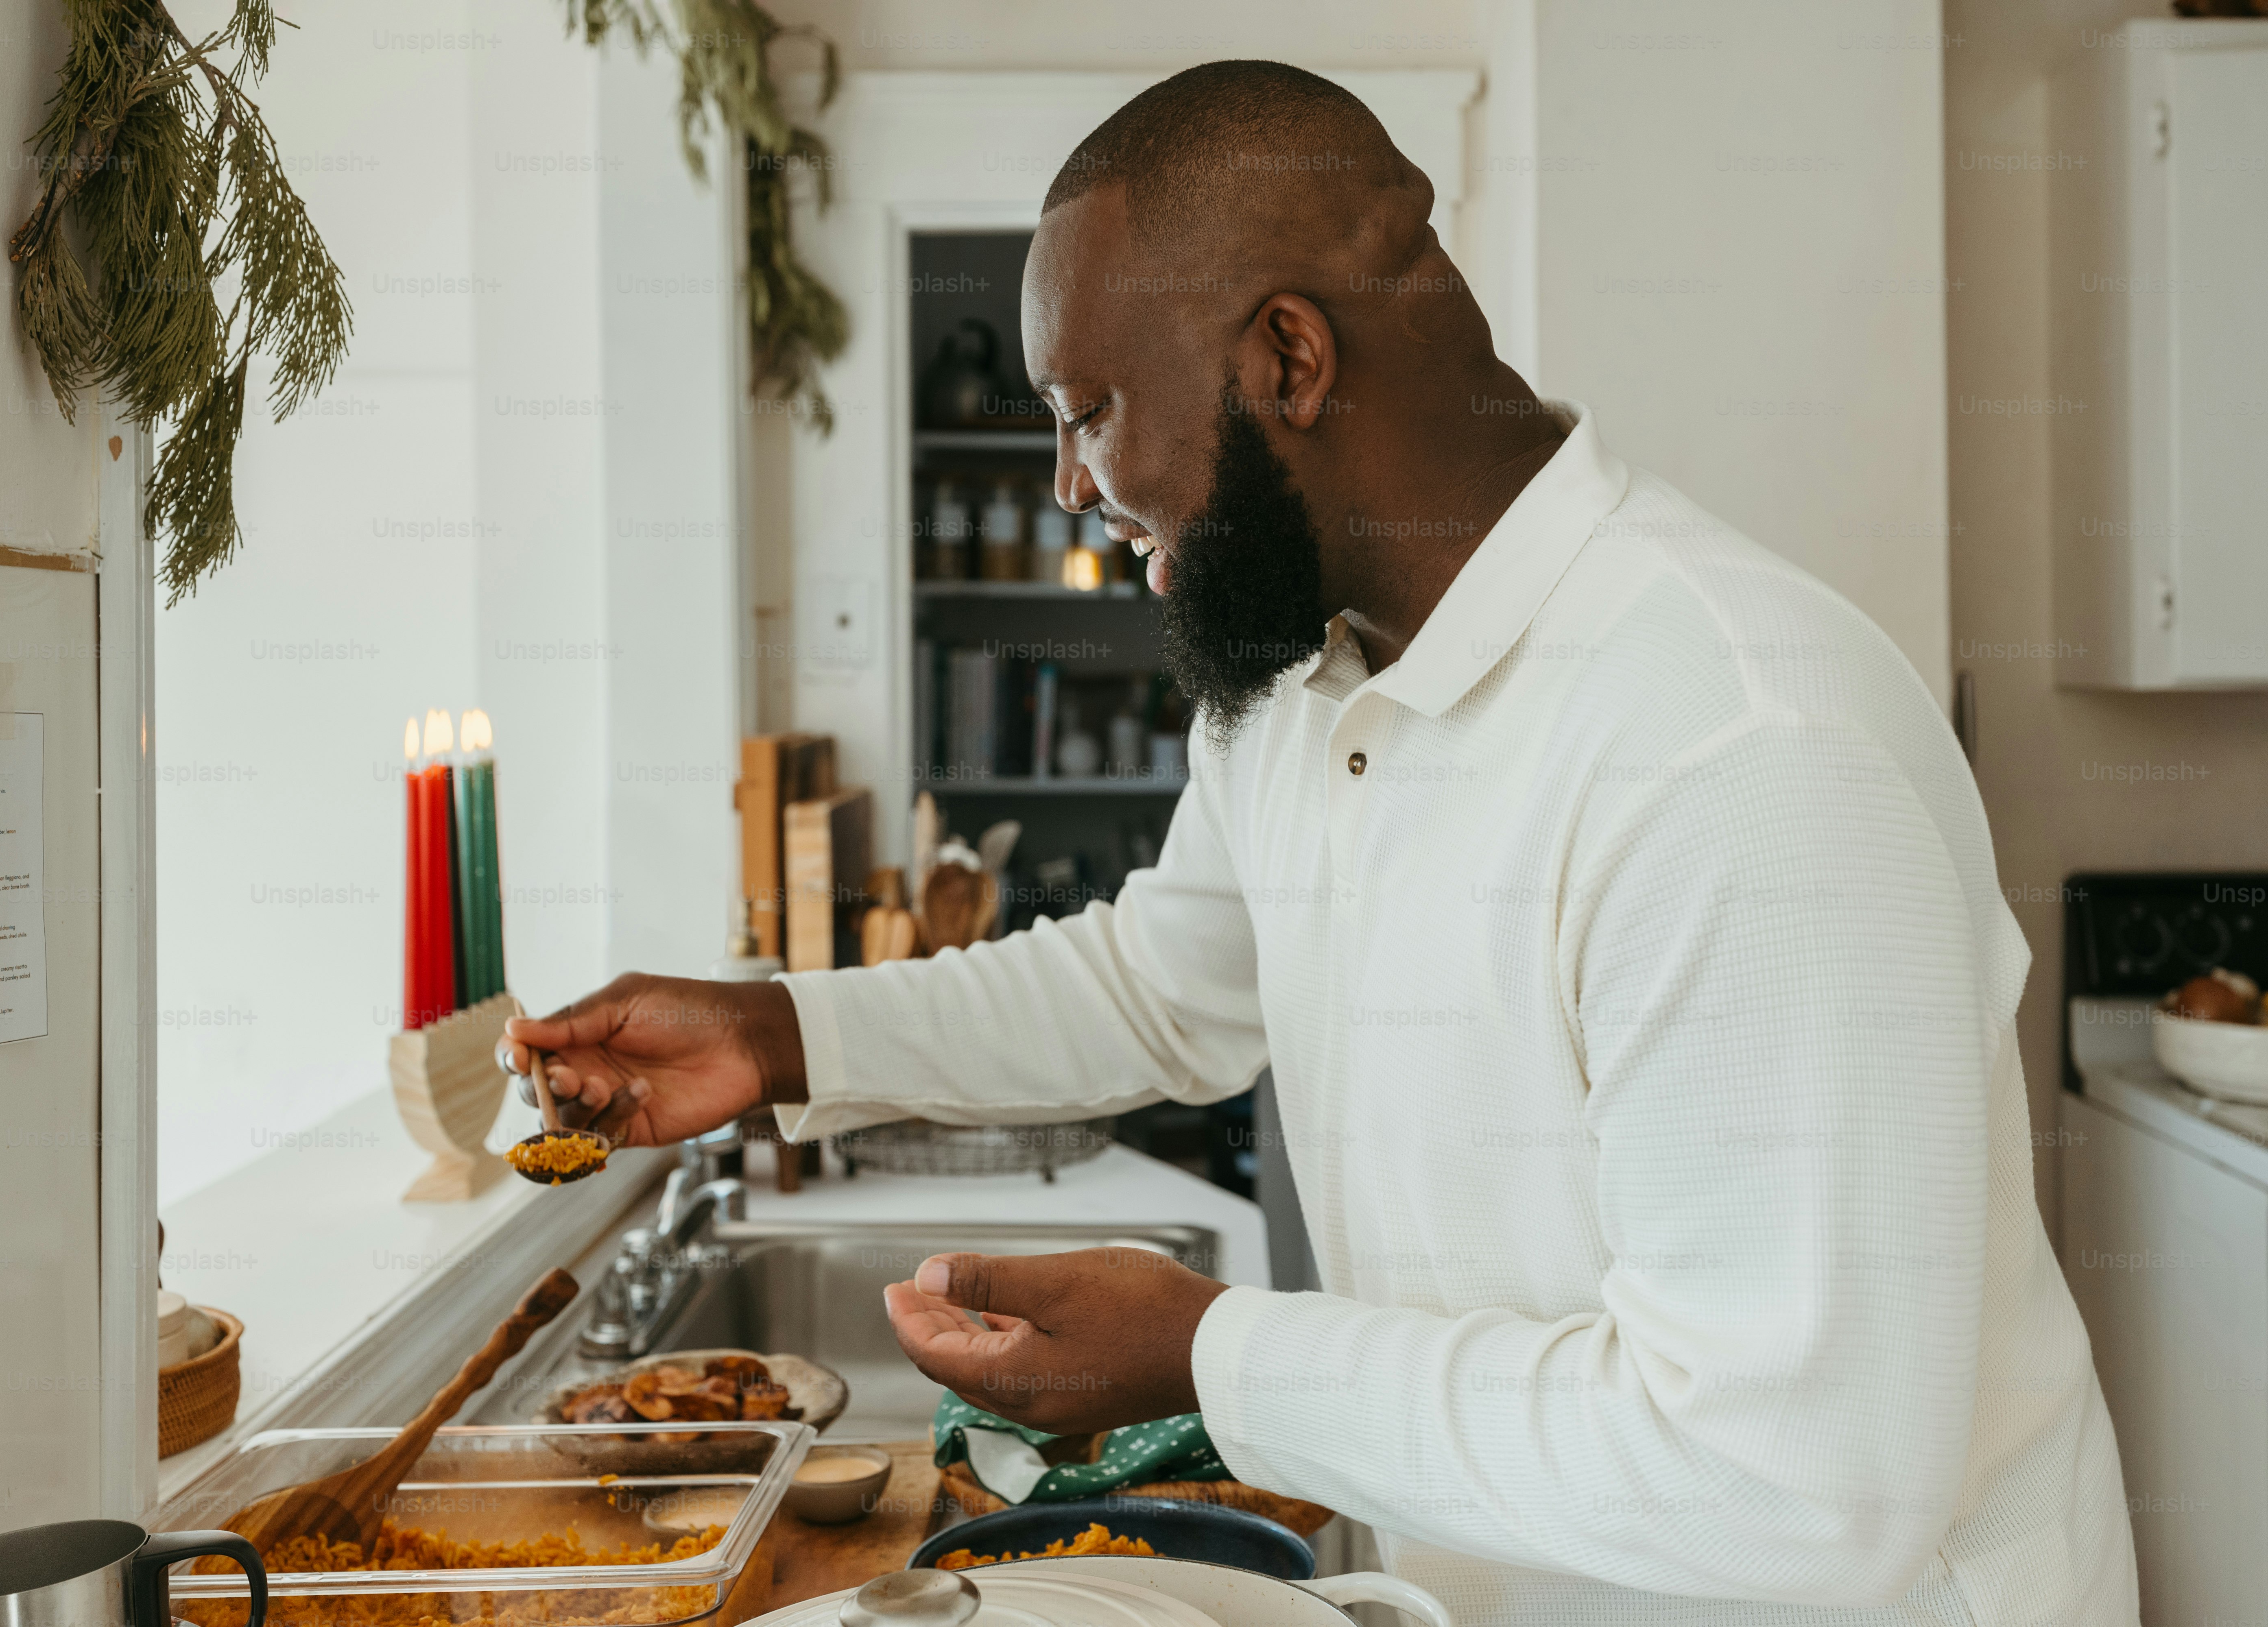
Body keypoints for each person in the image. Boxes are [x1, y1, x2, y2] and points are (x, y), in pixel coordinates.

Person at [503, 61, 2135, 1625]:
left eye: (1092, 409)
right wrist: (784, 1032)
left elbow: (1800, 1473)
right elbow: (1170, 981)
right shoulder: (1303, 677)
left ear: (1288, 354)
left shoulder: (1741, 744)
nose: (1072, 483)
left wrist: (1216, 1355)